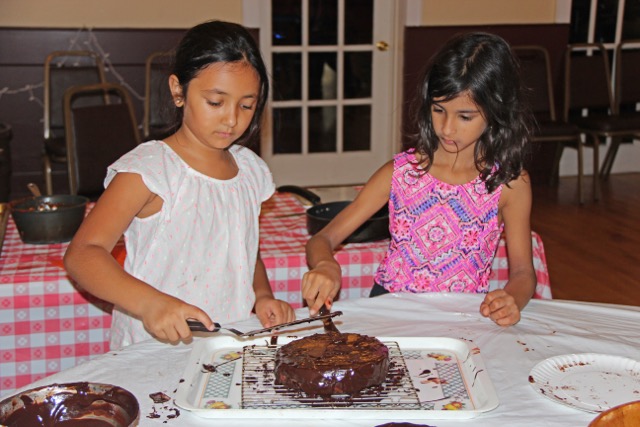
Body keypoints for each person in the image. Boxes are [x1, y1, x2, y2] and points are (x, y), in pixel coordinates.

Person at [64, 20, 295, 350]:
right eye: (216, 102)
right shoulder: (151, 170)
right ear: (178, 90)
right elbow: (82, 255)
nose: (232, 119)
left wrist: (262, 296)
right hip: (152, 348)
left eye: (246, 105)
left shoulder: (249, 169)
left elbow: (243, 247)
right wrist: (150, 303)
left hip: (226, 342)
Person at [302, 32, 536, 326]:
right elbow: (322, 238)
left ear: (497, 112)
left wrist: (511, 297)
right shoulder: (400, 173)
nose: (447, 128)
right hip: (390, 312)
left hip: (463, 318)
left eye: (465, 117)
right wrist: (325, 264)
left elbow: (524, 274)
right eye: (439, 110)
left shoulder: (509, 184)